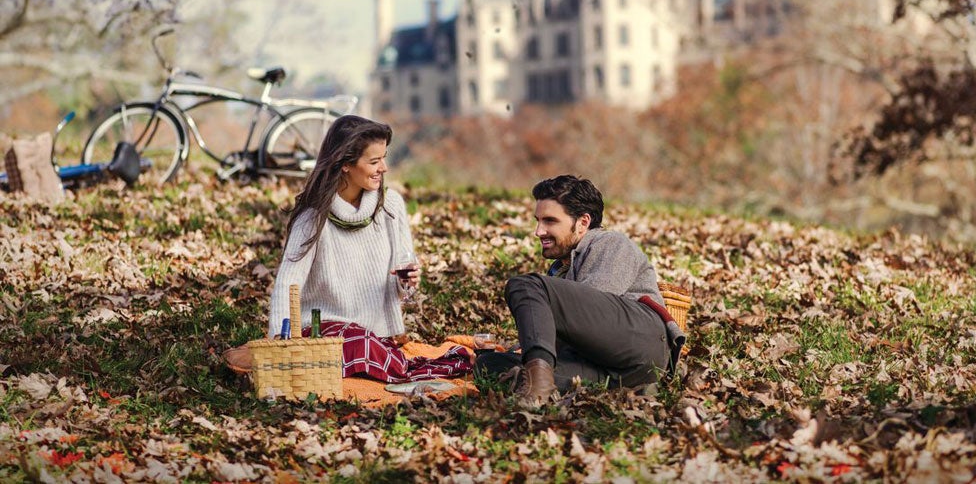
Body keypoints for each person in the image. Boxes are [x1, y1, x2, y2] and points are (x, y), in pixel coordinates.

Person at [225, 115, 470, 382]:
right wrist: (279, 343)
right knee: (359, 345)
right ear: (345, 165)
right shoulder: (313, 218)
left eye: (384, 158)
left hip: (377, 337)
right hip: (323, 331)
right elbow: (288, 283)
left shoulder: (391, 206)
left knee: (367, 346)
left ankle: (389, 365)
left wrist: (408, 282)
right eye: (374, 161)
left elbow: (402, 281)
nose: (384, 168)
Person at [474, 175, 685, 407]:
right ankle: (541, 383)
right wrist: (520, 348)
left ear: (583, 222)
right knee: (490, 366)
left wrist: (543, 329)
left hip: (642, 340)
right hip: (615, 370)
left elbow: (593, 311)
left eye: (550, 221)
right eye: (538, 221)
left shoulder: (610, 243)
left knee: (525, 285)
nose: (539, 231)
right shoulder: (560, 271)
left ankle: (538, 389)